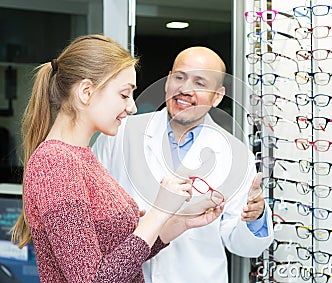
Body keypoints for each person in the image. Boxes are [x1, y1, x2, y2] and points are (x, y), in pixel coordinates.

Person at [10, 35, 223, 283]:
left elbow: (123, 259)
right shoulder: (55, 163)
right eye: (124, 95)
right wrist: (156, 213)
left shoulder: (82, 158)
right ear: (86, 92)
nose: (132, 107)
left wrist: (179, 221)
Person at [92, 46, 274, 283]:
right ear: (167, 81)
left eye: (200, 83)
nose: (185, 90)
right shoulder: (121, 132)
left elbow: (243, 246)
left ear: (217, 96)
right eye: (179, 77)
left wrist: (255, 218)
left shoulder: (236, 156)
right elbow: (92, 205)